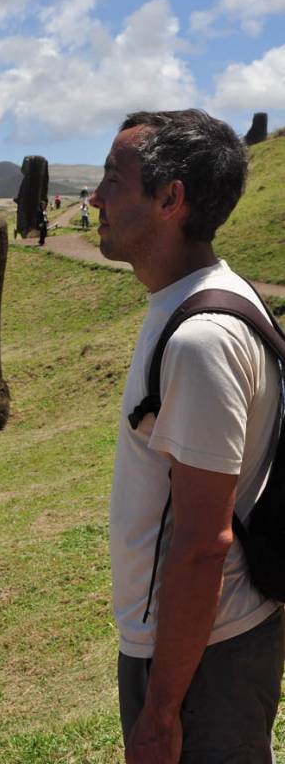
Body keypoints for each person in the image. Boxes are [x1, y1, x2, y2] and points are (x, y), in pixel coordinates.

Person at [90, 109, 284, 763]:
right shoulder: (194, 300)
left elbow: (203, 545)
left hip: (203, 656)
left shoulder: (203, 337)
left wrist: (161, 711)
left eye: (113, 179)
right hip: (203, 642)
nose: (95, 198)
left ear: (170, 199)